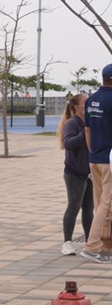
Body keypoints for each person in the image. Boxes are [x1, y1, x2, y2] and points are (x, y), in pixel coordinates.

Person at [81, 63, 112, 262]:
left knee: (101, 203)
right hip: (109, 160)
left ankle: (106, 245)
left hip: (95, 157)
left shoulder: (92, 99)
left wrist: (93, 152)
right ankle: (92, 246)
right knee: (106, 204)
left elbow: (88, 129)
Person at [59, 94, 93, 255]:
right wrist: (84, 133)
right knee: (73, 207)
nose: (88, 104)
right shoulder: (72, 123)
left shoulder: (90, 121)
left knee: (89, 209)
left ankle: (90, 241)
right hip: (74, 173)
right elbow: (68, 143)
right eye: (85, 102)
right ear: (77, 106)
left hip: (90, 172)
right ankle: (67, 242)